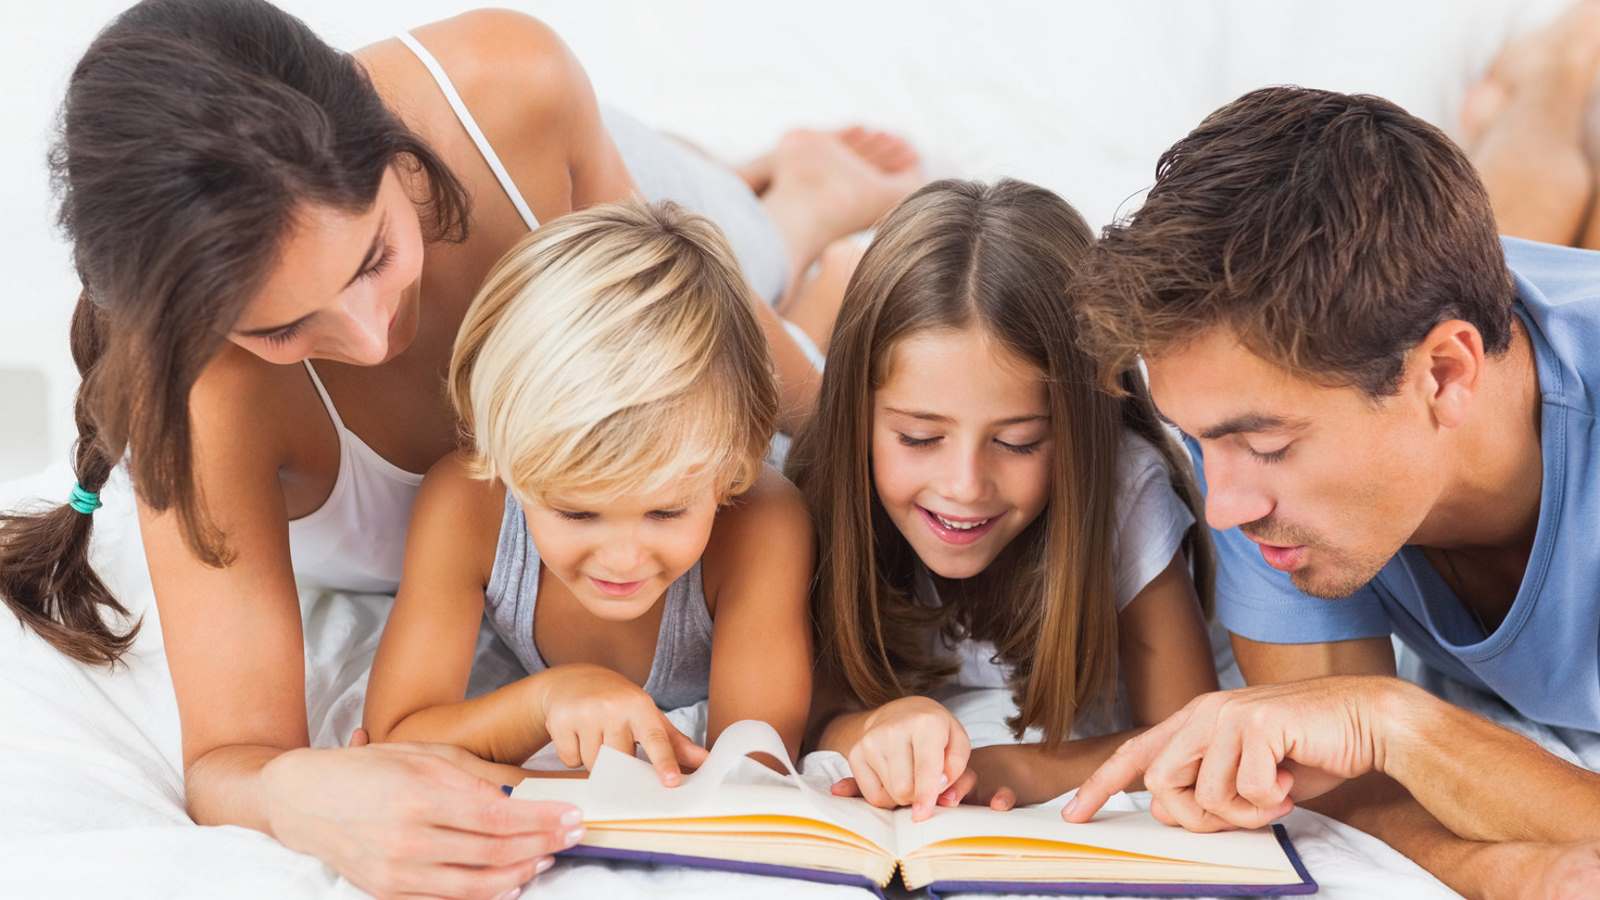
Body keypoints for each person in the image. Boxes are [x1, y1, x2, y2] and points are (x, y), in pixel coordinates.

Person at [0, 1, 918, 895]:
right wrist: (311, 798)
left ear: (396, 151)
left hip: (645, 229)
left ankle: (800, 206)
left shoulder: (510, 87)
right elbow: (234, 761)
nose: (370, 338)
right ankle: (788, 208)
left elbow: (746, 366)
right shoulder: (202, 395)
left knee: (750, 255)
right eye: (280, 328)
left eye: (373, 257)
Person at [1062, 83, 1600, 898]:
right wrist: (1489, 868)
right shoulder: (1247, 426)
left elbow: (1361, 727)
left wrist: (1391, 718)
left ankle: (1553, 77)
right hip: (1485, 323)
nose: (1222, 509)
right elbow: (1320, 766)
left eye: (1268, 446)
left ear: (1443, 374)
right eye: (1200, 441)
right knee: (1491, 242)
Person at [787, 179, 1218, 820]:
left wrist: (1014, 766)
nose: (965, 485)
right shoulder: (825, 478)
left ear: (1079, 431)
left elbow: (1190, 738)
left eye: (1018, 443)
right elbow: (808, 715)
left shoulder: (1125, 489)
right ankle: (823, 266)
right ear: (860, 418)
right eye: (920, 437)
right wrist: (873, 728)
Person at [362, 200, 813, 782]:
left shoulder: (763, 522)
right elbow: (394, 736)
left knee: (810, 336)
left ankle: (816, 253)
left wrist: (514, 780)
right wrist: (548, 698)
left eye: (665, 511)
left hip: (764, 422)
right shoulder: (467, 504)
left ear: (732, 468)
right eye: (577, 512)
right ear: (503, 458)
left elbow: (751, 775)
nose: (622, 558)